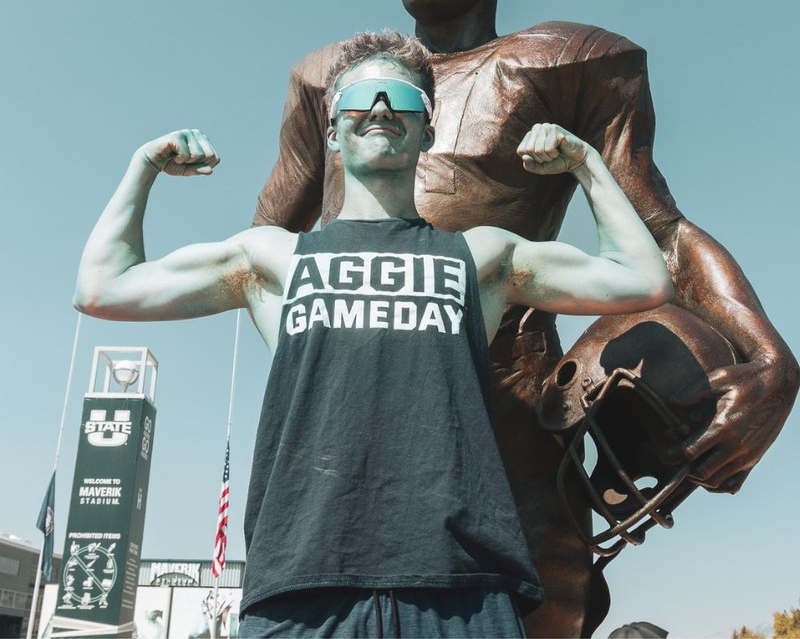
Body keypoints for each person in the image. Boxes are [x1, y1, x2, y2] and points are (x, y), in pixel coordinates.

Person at [252, 0, 799, 638]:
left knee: (545, 601)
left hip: (507, 401)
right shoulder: (332, 82)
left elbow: (663, 233)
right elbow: (265, 251)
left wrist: (771, 360)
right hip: (363, 408)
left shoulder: (566, 62)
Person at [74, 32, 674, 639]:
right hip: (304, 584)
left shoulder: (483, 257)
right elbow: (103, 288)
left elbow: (642, 280)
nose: (383, 109)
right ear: (332, 131)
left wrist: (588, 166)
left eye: (403, 99)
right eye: (363, 97)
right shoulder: (272, 260)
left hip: (462, 588)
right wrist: (142, 169)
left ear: (428, 131)